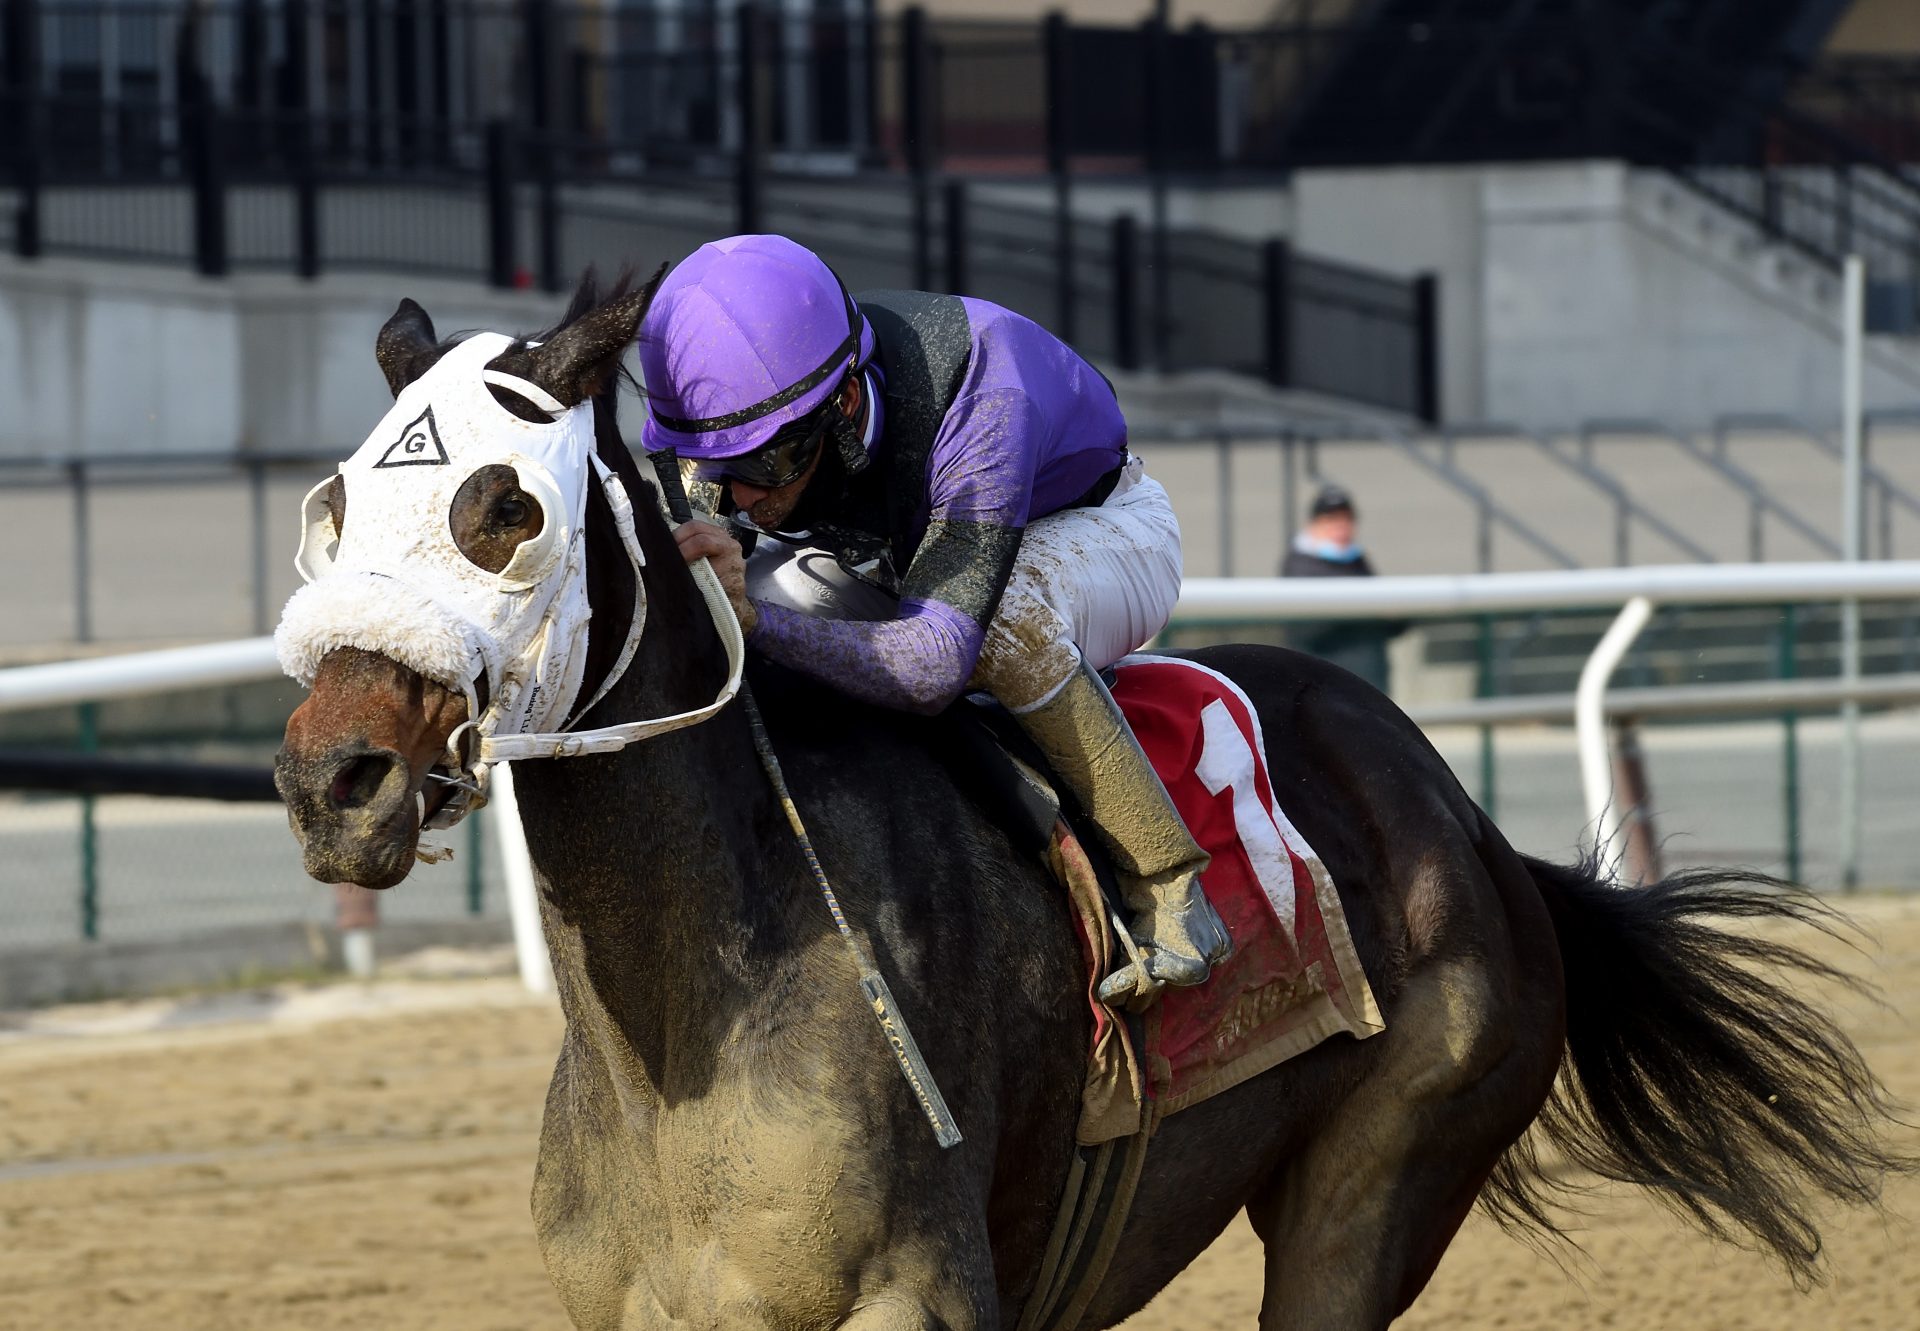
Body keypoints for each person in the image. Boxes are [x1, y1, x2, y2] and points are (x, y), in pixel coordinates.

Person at [646, 234, 1229, 1006]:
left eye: (764, 466)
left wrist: (756, 624)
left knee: (1004, 618)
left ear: (846, 402)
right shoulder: (726, 423)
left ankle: (1168, 885)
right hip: (900, 560)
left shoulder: (986, 394)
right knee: (749, 596)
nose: (739, 495)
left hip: (1099, 533)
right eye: (714, 470)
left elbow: (932, 666)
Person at [1280, 484, 1406, 693]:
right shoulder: (1298, 567)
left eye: (1347, 519)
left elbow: (1392, 623)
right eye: (1331, 519)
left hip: (1369, 687)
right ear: (1314, 524)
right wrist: (1370, 607)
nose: (1341, 526)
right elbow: (1306, 629)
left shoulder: (1357, 560)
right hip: (1327, 689)